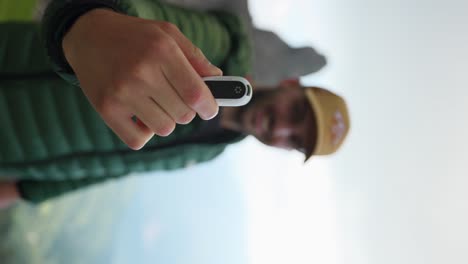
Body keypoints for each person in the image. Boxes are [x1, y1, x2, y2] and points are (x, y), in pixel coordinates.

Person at [0, 0, 350, 207]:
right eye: (297, 112)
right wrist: (89, 22)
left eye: (295, 141)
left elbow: (112, 166)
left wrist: (22, 191)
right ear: (290, 84)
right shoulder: (223, 45)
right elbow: (141, 17)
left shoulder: (210, 149)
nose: (282, 128)